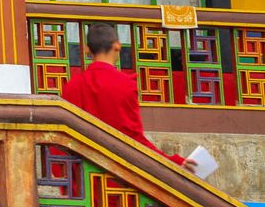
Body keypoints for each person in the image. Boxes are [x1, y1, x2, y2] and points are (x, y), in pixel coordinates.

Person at [62, 23, 193, 170]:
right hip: (120, 177)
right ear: (117, 46)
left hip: (85, 178)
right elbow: (135, 140)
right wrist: (172, 161)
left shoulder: (71, 86)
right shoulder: (125, 85)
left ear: (87, 49)